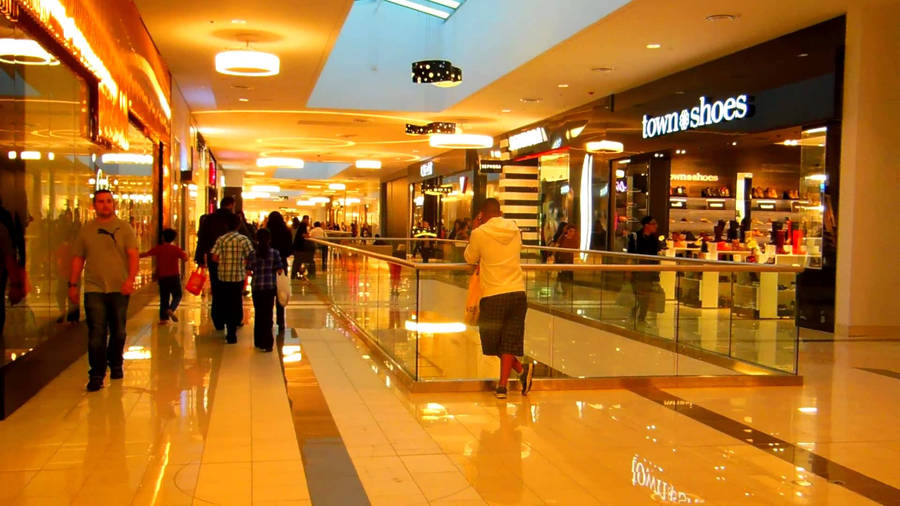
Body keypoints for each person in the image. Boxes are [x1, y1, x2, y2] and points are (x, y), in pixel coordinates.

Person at [69, 189, 139, 392]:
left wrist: (130, 280)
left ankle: (115, 363)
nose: (105, 205)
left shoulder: (124, 228)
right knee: (97, 332)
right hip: (94, 288)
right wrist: (73, 284)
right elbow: (78, 258)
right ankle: (96, 374)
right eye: (101, 201)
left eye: (108, 201)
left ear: (113, 204)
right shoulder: (87, 230)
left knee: (118, 331)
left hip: (119, 287)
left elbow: (133, 255)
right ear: (94, 206)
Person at [465, 198, 533, 399]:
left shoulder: (479, 233)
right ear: (500, 212)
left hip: (493, 294)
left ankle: (510, 379)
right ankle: (512, 379)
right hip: (517, 292)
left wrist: (474, 229)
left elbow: (470, 257)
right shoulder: (514, 229)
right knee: (509, 340)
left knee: (491, 341)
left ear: (482, 215)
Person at [209, 213, 254, 343]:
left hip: (223, 276)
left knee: (224, 301)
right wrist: (242, 263)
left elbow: (214, 257)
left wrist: (224, 261)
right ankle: (232, 332)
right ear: (238, 225)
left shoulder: (221, 239)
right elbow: (251, 256)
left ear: (226, 226)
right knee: (236, 302)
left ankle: (223, 323)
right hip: (238, 276)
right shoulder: (243, 239)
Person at [195, 196, 235, 330]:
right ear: (231, 205)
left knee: (217, 288)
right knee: (231, 290)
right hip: (231, 259)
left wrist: (200, 258)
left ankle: (218, 319)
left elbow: (202, 239)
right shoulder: (233, 218)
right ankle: (232, 319)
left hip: (213, 258)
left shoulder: (209, 219)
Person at [141, 228, 188, 324]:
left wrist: (133, 255)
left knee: (164, 298)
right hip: (174, 276)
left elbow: (146, 254)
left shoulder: (159, 248)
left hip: (162, 277)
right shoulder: (175, 249)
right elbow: (185, 258)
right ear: (173, 238)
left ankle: (163, 319)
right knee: (177, 295)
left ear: (163, 237)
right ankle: (171, 309)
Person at [247, 228, 283, 351]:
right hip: (269, 287)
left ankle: (258, 341)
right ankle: (267, 343)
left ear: (257, 239)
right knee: (268, 315)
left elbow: (248, 271)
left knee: (259, 314)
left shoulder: (253, 254)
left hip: (257, 287)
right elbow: (280, 270)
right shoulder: (274, 253)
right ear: (269, 239)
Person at [626, 216, 664, 323]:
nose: (656, 226)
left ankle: (641, 318)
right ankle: (636, 315)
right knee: (638, 295)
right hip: (637, 270)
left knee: (645, 296)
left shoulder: (654, 239)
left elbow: (655, 257)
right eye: (653, 224)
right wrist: (628, 269)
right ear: (646, 225)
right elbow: (630, 255)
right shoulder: (635, 237)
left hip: (648, 272)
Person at [265, 211, 293, 331]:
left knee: (269, 293)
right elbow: (289, 250)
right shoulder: (286, 232)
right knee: (281, 291)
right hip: (281, 263)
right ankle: (281, 321)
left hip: (268, 264)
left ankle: (269, 320)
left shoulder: (267, 232)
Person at [554, 224, 579, 296]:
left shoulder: (574, 240)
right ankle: (564, 290)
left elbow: (576, 249)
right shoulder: (562, 238)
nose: (572, 233)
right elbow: (556, 248)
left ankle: (567, 291)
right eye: (571, 231)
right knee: (562, 276)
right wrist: (555, 258)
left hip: (570, 261)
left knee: (568, 276)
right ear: (567, 231)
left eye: (573, 231)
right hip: (561, 260)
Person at [291, 215, 310, 279]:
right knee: (298, 261)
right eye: (307, 219)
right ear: (305, 219)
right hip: (299, 246)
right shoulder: (303, 225)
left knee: (298, 260)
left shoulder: (300, 225)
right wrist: (308, 236)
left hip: (297, 246)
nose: (308, 221)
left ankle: (296, 274)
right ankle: (294, 274)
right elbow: (303, 234)